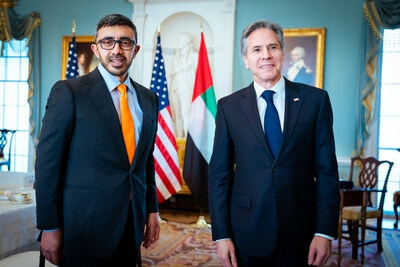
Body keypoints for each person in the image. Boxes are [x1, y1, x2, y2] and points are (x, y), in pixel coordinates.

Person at [208, 20, 340, 267]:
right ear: (246, 59)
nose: (266, 55)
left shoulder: (316, 101)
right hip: (246, 231)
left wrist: (324, 232)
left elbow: (327, 172)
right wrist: (222, 234)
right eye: (256, 49)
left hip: (301, 232)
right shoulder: (228, 107)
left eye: (273, 47)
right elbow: (219, 175)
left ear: (282, 53)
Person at [35, 14, 160, 267]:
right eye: (107, 42)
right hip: (84, 228)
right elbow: (48, 165)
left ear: (135, 50)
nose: (116, 49)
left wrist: (152, 210)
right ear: (95, 48)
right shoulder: (69, 92)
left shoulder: (149, 99)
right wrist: (49, 227)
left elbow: (144, 161)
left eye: (125, 43)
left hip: (131, 224)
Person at [169, 32, 197, 138]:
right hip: (175, 87)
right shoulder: (176, 56)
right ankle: (179, 138)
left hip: (188, 87)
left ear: (186, 42)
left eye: (180, 40)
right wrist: (182, 68)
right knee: (177, 115)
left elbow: (199, 74)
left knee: (187, 114)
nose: (178, 42)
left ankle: (188, 140)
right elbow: (170, 72)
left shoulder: (194, 56)